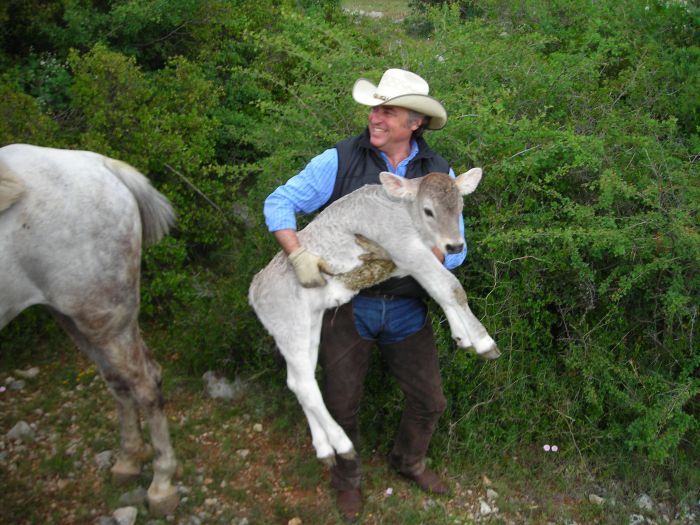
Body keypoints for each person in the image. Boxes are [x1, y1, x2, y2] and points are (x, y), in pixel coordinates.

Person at [263, 68, 467, 522]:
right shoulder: (340, 159)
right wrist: (298, 255)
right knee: (340, 403)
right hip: (346, 306)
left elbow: (458, 249)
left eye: (387, 110)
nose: (375, 117)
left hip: (408, 308)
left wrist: (432, 253)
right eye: (374, 108)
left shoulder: (439, 173)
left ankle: (408, 461)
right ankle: (347, 480)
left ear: (415, 122)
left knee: (429, 400)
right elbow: (278, 202)